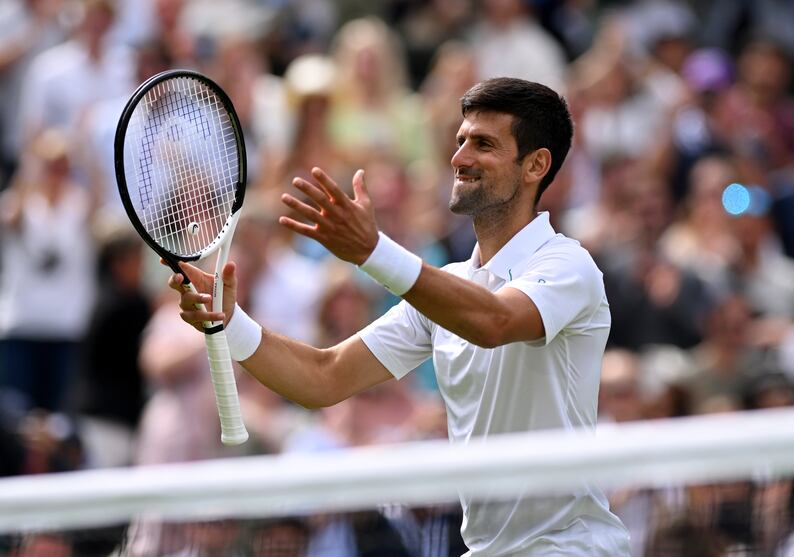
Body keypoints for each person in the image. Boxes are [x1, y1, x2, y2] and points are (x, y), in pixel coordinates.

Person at [170, 77, 632, 556]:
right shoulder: (445, 291)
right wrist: (231, 320)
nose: (460, 158)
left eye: (484, 144)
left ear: (536, 165)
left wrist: (374, 252)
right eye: (460, 141)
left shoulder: (568, 266)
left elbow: (495, 322)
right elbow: (322, 378)